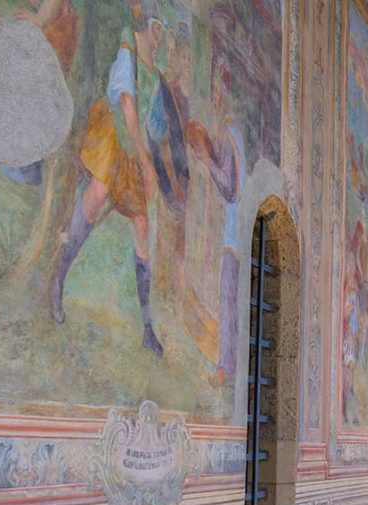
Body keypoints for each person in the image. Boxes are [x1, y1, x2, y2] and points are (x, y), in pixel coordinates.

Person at [49, 0, 167, 356]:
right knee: (97, 193)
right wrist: (145, 161)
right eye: (160, 29)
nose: (161, 39)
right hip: (114, 134)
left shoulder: (156, 73)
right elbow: (127, 104)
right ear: (152, 27)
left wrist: (151, 165)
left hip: (134, 148)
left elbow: (151, 122)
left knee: (143, 228)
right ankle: (59, 279)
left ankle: (147, 326)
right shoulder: (127, 39)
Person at [188, 62, 245, 386]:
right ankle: (229, 365)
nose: (214, 99)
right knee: (231, 298)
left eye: (215, 92)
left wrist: (206, 160)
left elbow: (230, 187)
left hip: (234, 234)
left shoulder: (226, 132)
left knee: (229, 298)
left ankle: (226, 367)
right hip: (236, 231)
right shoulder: (233, 132)